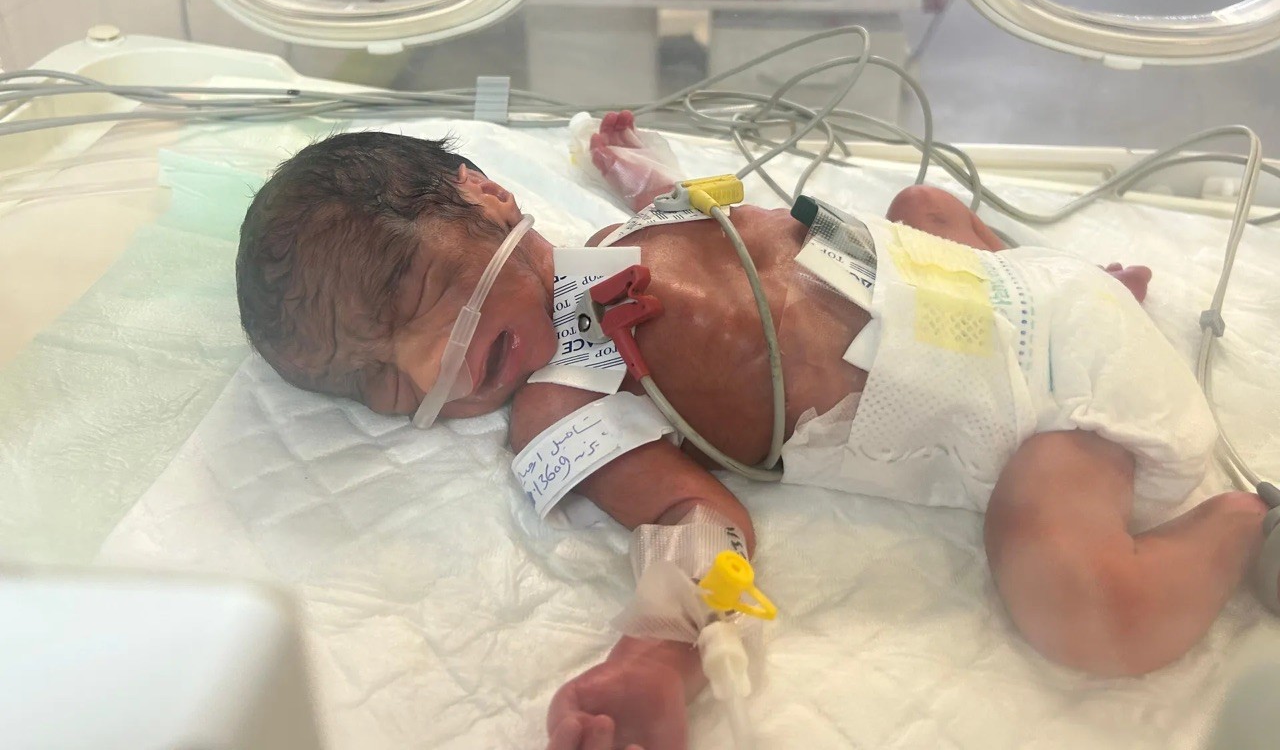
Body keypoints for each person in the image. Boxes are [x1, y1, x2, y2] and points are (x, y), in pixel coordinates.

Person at [236, 114, 1271, 750]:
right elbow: (696, 521)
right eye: (377, 381)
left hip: (1022, 291)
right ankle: (1242, 521)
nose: (431, 364)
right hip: (1056, 412)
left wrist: (642, 172)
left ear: (487, 195)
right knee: (1072, 597)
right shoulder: (560, 405)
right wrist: (657, 658)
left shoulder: (620, 236)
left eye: (409, 292)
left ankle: (1055, 270)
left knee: (916, 204)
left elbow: (718, 216)